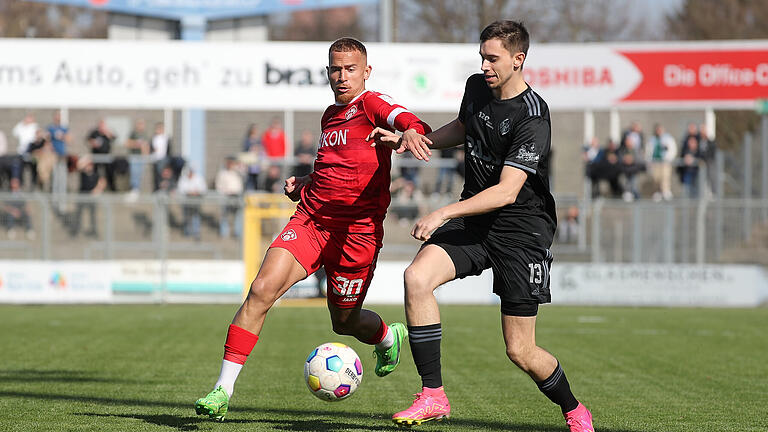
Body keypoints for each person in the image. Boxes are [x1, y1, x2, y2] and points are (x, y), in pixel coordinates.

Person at [194, 37, 433, 422]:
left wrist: (412, 130)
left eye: (351, 69)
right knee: (260, 290)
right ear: (328, 72)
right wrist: (305, 183)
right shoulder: (329, 116)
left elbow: (403, 117)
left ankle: (388, 336)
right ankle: (223, 389)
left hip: (358, 234)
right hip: (312, 221)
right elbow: (334, 169)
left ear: (366, 72)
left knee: (344, 321)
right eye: (336, 69)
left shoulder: (371, 104)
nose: (342, 76)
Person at [370, 21, 593, 431]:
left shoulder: (534, 116)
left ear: (517, 59)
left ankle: (576, 411)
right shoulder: (476, 87)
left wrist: (443, 212)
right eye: (482, 57)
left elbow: (508, 192)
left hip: (521, 230)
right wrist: (418, 140)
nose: (485, 65)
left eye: (493, 58)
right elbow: (463, 127)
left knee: (520, 350)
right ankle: (433, 395)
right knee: (417, 278)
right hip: (475, 220)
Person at [646, 124, 677, 201]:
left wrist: (668, 159)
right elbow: (648, 151)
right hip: (655, 162)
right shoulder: (652, 139)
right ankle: (657, 192)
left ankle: (666, 191)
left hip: (664, 162)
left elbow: (672, 150)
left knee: (665, 177)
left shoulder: (668, 138)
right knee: (656, 177)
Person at [215, 156, 244, 238]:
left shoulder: (237, 172)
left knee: (238, 215)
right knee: (225, 215)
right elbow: (219, 185)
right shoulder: (222, 173)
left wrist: (238, 167)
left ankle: (237, 233)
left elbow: (244, 174)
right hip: (226, 196)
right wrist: (225, 192)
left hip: (237, 196)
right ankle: (224, 233)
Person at [87, 119, 116, 191]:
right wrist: (93, 143)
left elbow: (114, 138)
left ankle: (112, 189)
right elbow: (88, 140)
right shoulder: (94, 133)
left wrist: (107, 133)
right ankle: (94, 188)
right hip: (96, 157)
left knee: (109, 173)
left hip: (106, 157)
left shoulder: (107, 133)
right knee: (95, 173)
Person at [125, 119, 150, 195]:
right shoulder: (133, 133)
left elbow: (146, 147)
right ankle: (134, 189)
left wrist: (146, 156)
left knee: (139, 174)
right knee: (134, 173)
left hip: (142, 158)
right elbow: (127, 143)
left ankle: (137, 190)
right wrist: (137, 144)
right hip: (134, 157)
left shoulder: (145, 134)